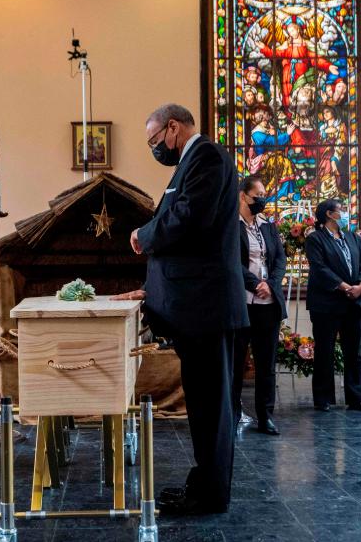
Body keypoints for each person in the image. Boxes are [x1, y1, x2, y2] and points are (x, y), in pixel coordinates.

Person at [121, 103, 247, 515]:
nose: (155, 149)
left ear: (173, 127)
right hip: (198, 304)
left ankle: (210, 496)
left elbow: (188, 217)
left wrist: (145, 234)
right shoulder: (194, 161)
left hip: (205, 305)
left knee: (211, 405)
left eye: (155, 141)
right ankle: (204, 484)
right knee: (205, 402)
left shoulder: (206, 156)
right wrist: (150, 289)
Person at [304, 198, 361, 412]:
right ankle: (323, 398)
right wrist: (343, 287)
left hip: (354, 302)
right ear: (329, 214)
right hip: (327, 303)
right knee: (325, 350)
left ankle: (356, 397)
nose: (344, 214)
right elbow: (320, 268)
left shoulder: (353, 238)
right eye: (341, 211)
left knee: (354, 352)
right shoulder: (316, 239)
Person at [233, 174, 287, 435]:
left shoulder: (268, 226)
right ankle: (233, 414)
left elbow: (280, 260)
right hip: (242, 303)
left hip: (268, 304)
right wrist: (255, 284)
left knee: (266, 364)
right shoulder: (231, 226)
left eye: (264, 196)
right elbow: (232, 262)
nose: (262, 200)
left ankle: (265, 416)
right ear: (244, 196)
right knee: (236, 363)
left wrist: (271, 284)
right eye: (258, 196)